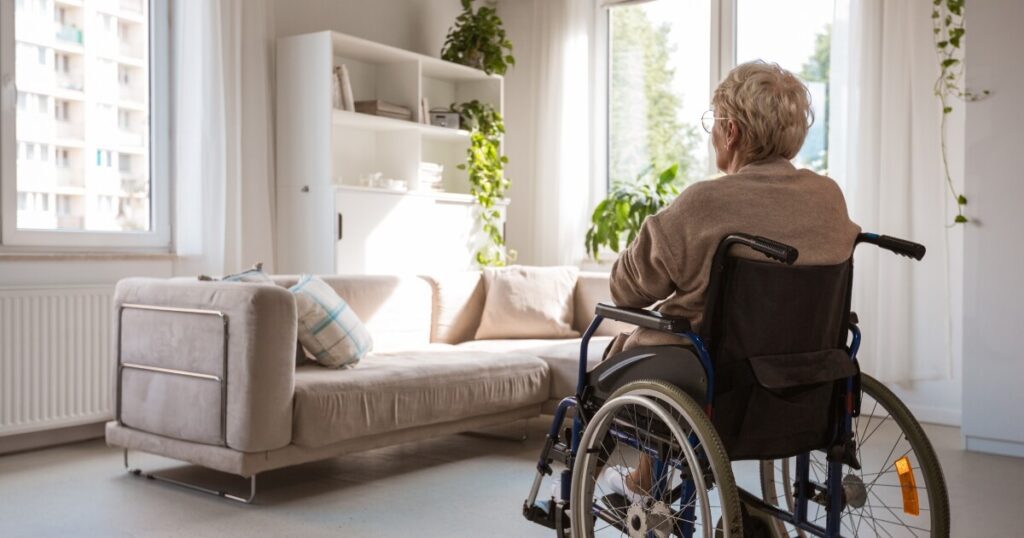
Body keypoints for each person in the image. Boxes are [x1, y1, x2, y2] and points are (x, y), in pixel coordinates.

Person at [597, 60, 861, 499]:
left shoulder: (706, 202)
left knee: (624, 353)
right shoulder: (828, 196)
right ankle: (645, 478)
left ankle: (625, 485)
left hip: (718, 383)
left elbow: (627, 290)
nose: (712, 133)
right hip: (806, 380)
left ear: (731, 130)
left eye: (714, 123)